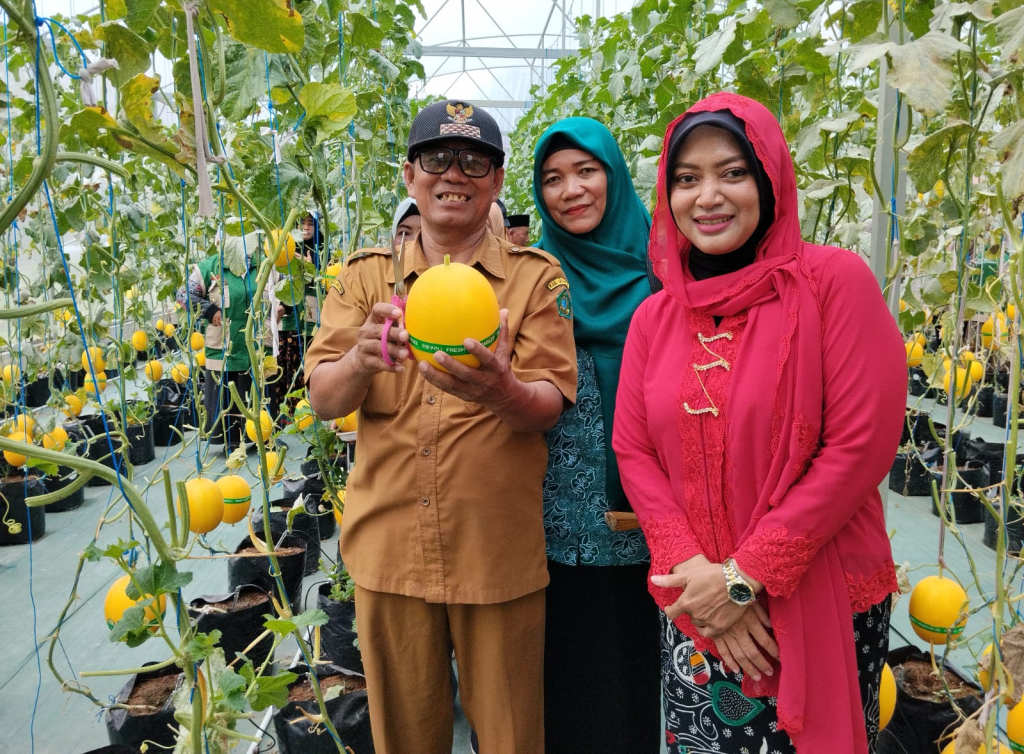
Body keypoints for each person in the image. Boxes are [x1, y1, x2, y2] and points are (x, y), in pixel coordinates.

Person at [612, 92, 906, 754]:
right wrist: (699, 581)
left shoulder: (834, 282)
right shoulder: (655, 319)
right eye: (686, 179)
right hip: (694, 608)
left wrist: (743, 578)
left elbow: (859, 447)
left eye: (732, 172)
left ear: (770, 177)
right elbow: (633, 451)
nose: (707, 196)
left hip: (813, 593)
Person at [304, 99, 578, 754]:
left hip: (496, 557)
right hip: (389, 555)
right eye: (436, 158)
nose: (454, 173)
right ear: (409, 175)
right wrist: (361, 361)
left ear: (496, 180)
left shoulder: (538, 280)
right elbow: (321, 396)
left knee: (513, 738)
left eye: (474, 160)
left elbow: (551, 401)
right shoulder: (364, 278)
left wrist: (504, 392)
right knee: (405, 740)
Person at [531, 118, 662, 752]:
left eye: (586, 171)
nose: (571, 190)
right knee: (564, 684)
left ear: (613, 175)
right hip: (550, 526)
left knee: (637, 687)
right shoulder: (533, 282)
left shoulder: (667, 273)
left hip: (656, 524)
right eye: (552, 178)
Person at [177, 235, 262, 450]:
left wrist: (283, 308)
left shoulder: (261, 265)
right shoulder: (209, 268)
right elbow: (183, 295)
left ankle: (259, 436)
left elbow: (283, 287)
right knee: (227, 390)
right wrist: (209, 310)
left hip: (254, 344)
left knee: (254, 390)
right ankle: (231, 440)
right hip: (223, 345)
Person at [268, 213, 324, 422]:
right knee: (286, 364)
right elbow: (281, 284)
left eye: (311, 224)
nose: (306, 228)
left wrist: (311, 268)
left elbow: (324, 281)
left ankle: (307, 410)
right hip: (290, 319)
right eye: (302, 224)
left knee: (307, 364)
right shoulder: (287, 251)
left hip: (311, 320)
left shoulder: (321, 251)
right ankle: (286, 413)